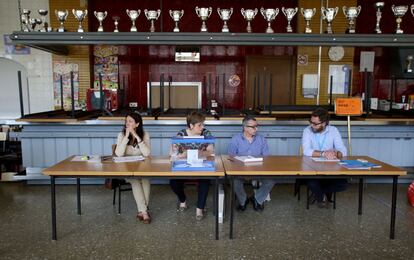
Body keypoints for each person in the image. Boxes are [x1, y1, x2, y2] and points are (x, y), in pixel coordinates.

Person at [169, 111, 213, 220]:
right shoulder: (181, 134)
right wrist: (181, 154)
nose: (202, 127)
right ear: (191, 126)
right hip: (184, 166)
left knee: (205, 180)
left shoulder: (206, 133)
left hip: (200, 165)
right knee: (173, 181)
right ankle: (183, 200)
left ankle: (200, 208)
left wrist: (194, 153)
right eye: (199, 125)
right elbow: (172, 152)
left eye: (203, 124)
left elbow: (211, 151)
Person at [302, 107, 348, 208]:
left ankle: (318, 193)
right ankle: (320, 195)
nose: (312, 125)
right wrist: (323, 153)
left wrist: (337, 153)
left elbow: (343, 150)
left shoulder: (333, 130)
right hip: (312, 166)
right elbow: (306, 151)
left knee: (343, 184)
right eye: (311, 122)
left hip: (330, 167)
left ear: (324, 123)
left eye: (315, 123)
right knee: (311, 182)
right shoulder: (307, 130)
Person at [228, 116, 276, 212]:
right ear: (245, 127)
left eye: (257, 126)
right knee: (233, 180)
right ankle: (243, 200)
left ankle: (257, 199)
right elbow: (231, 158)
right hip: (240, 171)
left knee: (271, 180)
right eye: (253, 127)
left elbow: (266, 158)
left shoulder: (261, 139)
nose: (256, 129)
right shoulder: (235, 139)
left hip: (259, 170)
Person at [115, 112, 152, 223]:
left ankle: (142, 211)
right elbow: (118, 154)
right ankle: (145, 212)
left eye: (130, 121)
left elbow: (146, 153)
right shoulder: (121, 135)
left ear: (137, 124)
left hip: (142, 168)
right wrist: (126, 136)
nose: (127, 124)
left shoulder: (145, 134)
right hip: (126, 169)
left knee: (146, 180)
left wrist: (136, 136)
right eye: (126, 121)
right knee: (135, 181)